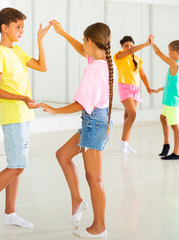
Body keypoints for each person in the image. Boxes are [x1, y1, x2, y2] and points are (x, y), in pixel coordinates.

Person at [0, 7, 51, 229]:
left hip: (24, 115)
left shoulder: (17, 51)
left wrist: (40, 40)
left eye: (23, 27)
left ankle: (10, 213)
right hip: (12, 115)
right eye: (18, 26)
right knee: (16, 166)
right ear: (4, 28)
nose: (21, 30)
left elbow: (42, 67)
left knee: (16, 165)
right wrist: (22, 97)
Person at [40, 20, 113, 238]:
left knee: (95, 179)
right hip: (96, 122)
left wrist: (54, 110)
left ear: (91, 41)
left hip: (94, 123)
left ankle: (100, 227)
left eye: (84, 39)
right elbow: (83, 50)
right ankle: (78, 200)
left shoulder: (93, 69)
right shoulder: (105, 61)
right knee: (63, 155)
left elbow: (81, 104)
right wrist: (62, 33)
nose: (83, 44)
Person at [113, 36, 156, 153]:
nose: (129, 47)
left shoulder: (137, 59)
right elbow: (130, 52)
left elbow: (143, 75)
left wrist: (148, 87)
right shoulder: (118, 56)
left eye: (131, 45)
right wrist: (146, 44)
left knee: (128, 117)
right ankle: (122, 141)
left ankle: (125, 143)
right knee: (133, 114)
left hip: (136, 89)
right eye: (126, 45)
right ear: (122, 46)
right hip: (124, 87)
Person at [150, 38, 179, 160]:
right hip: (169, 99)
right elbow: (174, 84)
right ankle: (166, 144)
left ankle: (176, 153)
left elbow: (160, 54)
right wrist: (161, 89)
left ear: (174, 52)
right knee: (162, 118)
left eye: (169, 50)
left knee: (175, 126)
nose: (168, 53)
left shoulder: (174, 64)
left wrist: (153, 44)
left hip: (172, 101)